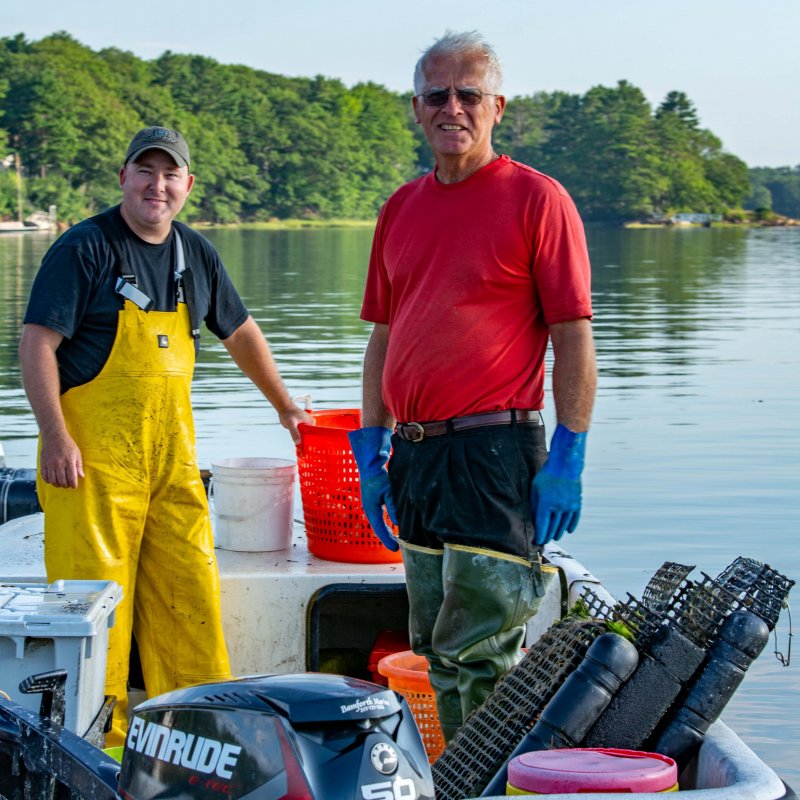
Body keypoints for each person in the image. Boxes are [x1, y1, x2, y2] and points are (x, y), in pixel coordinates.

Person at [19, 126, 312, 746]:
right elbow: (37, 343)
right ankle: (95, 746)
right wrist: (54, 435)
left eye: (170, 174)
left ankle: (203, 734)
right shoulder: (84, 248)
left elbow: (241, 333)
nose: (158, 185)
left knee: (191, 594)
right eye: (145, 171)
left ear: (188, 184)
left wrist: (287, 407)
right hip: (90, 466)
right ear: (123, 177)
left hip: (171, 464)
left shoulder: (195, 253)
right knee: (95, 606)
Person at [348, 31, 597, 742]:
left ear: (497, 108)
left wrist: (569, 455)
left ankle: (479, 784)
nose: (451, 108)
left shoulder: (537, 199)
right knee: (435, 650)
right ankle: (457, 780)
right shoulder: (400, 207)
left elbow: (573, 335)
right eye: (436, 95)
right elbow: (384, 336)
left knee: (479, 654)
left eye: (468, 94)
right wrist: (372, 450)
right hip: (415, 456)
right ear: (417, 109)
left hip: (494, 454)